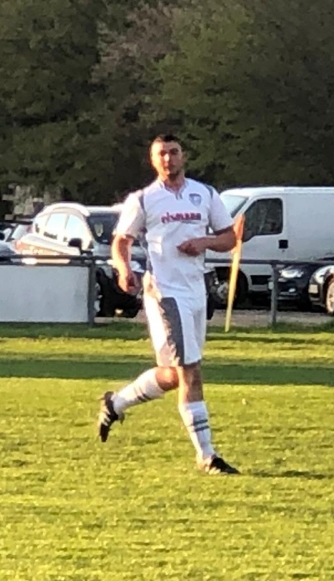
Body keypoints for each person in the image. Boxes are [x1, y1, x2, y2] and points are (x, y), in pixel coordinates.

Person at [98, 134, 240, 475]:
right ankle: (207, 456)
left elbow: (230, 237)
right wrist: (123, 270)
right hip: (165, 292)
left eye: (173, 152)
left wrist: (204, 242)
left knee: (174, 375)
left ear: (183, 156)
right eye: (161, 154)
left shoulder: (204, 194)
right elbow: (121, 241)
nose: (168, 159)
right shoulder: (144, 199)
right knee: (191, 370)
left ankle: (115, 403)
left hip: (195, 290)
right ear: (153, 160)